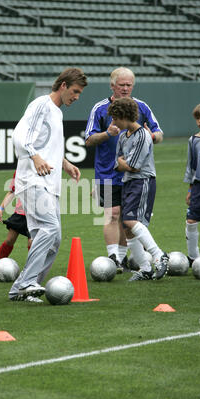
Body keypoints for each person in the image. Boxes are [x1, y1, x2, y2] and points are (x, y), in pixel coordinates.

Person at [8, 67, 88, 302]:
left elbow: (46, 145)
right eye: (74, 91)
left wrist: (64, 163)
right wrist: (34, 157)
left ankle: (20, 290)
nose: (76, 97)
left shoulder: (57, 112)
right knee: (50, 229)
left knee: (54, 240)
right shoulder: (41, 104)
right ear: (63, 85)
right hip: (32, 180)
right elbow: (20, 136)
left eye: (79, 93)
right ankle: (26, 282)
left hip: (50, 184)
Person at [85, 67, 163, 272]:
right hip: (107, 173)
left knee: (126, 219)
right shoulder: (100, 109)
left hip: (133, 174)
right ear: (112, 86)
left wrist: (150, 136)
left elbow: (159, 133)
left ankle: (122, 259)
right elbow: (89, 139)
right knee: (113, 214)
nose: (126, 88)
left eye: (129, 85)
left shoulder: (142, 107)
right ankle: (114, 258)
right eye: (122, 85)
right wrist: (107, 134)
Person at [109, 97, 169, 281]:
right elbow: (117, 163)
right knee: (127, 228)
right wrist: (122, 164)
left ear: (123, 116)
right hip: (128, 182)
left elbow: (133, 166)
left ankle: (159, 255)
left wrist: (122, 164)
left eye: (115, 118)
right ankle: (145, 268)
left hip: (142, 181)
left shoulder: (143, 135)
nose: (113, 123)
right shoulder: (122, 136)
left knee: (131, 221)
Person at [0, 170, 32, 279]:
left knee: (32, 244)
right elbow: (12, 192)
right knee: (9, 240)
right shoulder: (19, 171)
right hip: (20, 213)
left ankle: (31, 273)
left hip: (35, 216)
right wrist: (1, 207)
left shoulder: (40, 169)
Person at [184, 102, 200, 266]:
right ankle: (193, 258)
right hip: (199, 187)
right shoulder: (193, 140)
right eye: (198, 118)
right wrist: (190, 189)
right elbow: (191, 166)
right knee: (191, 220)